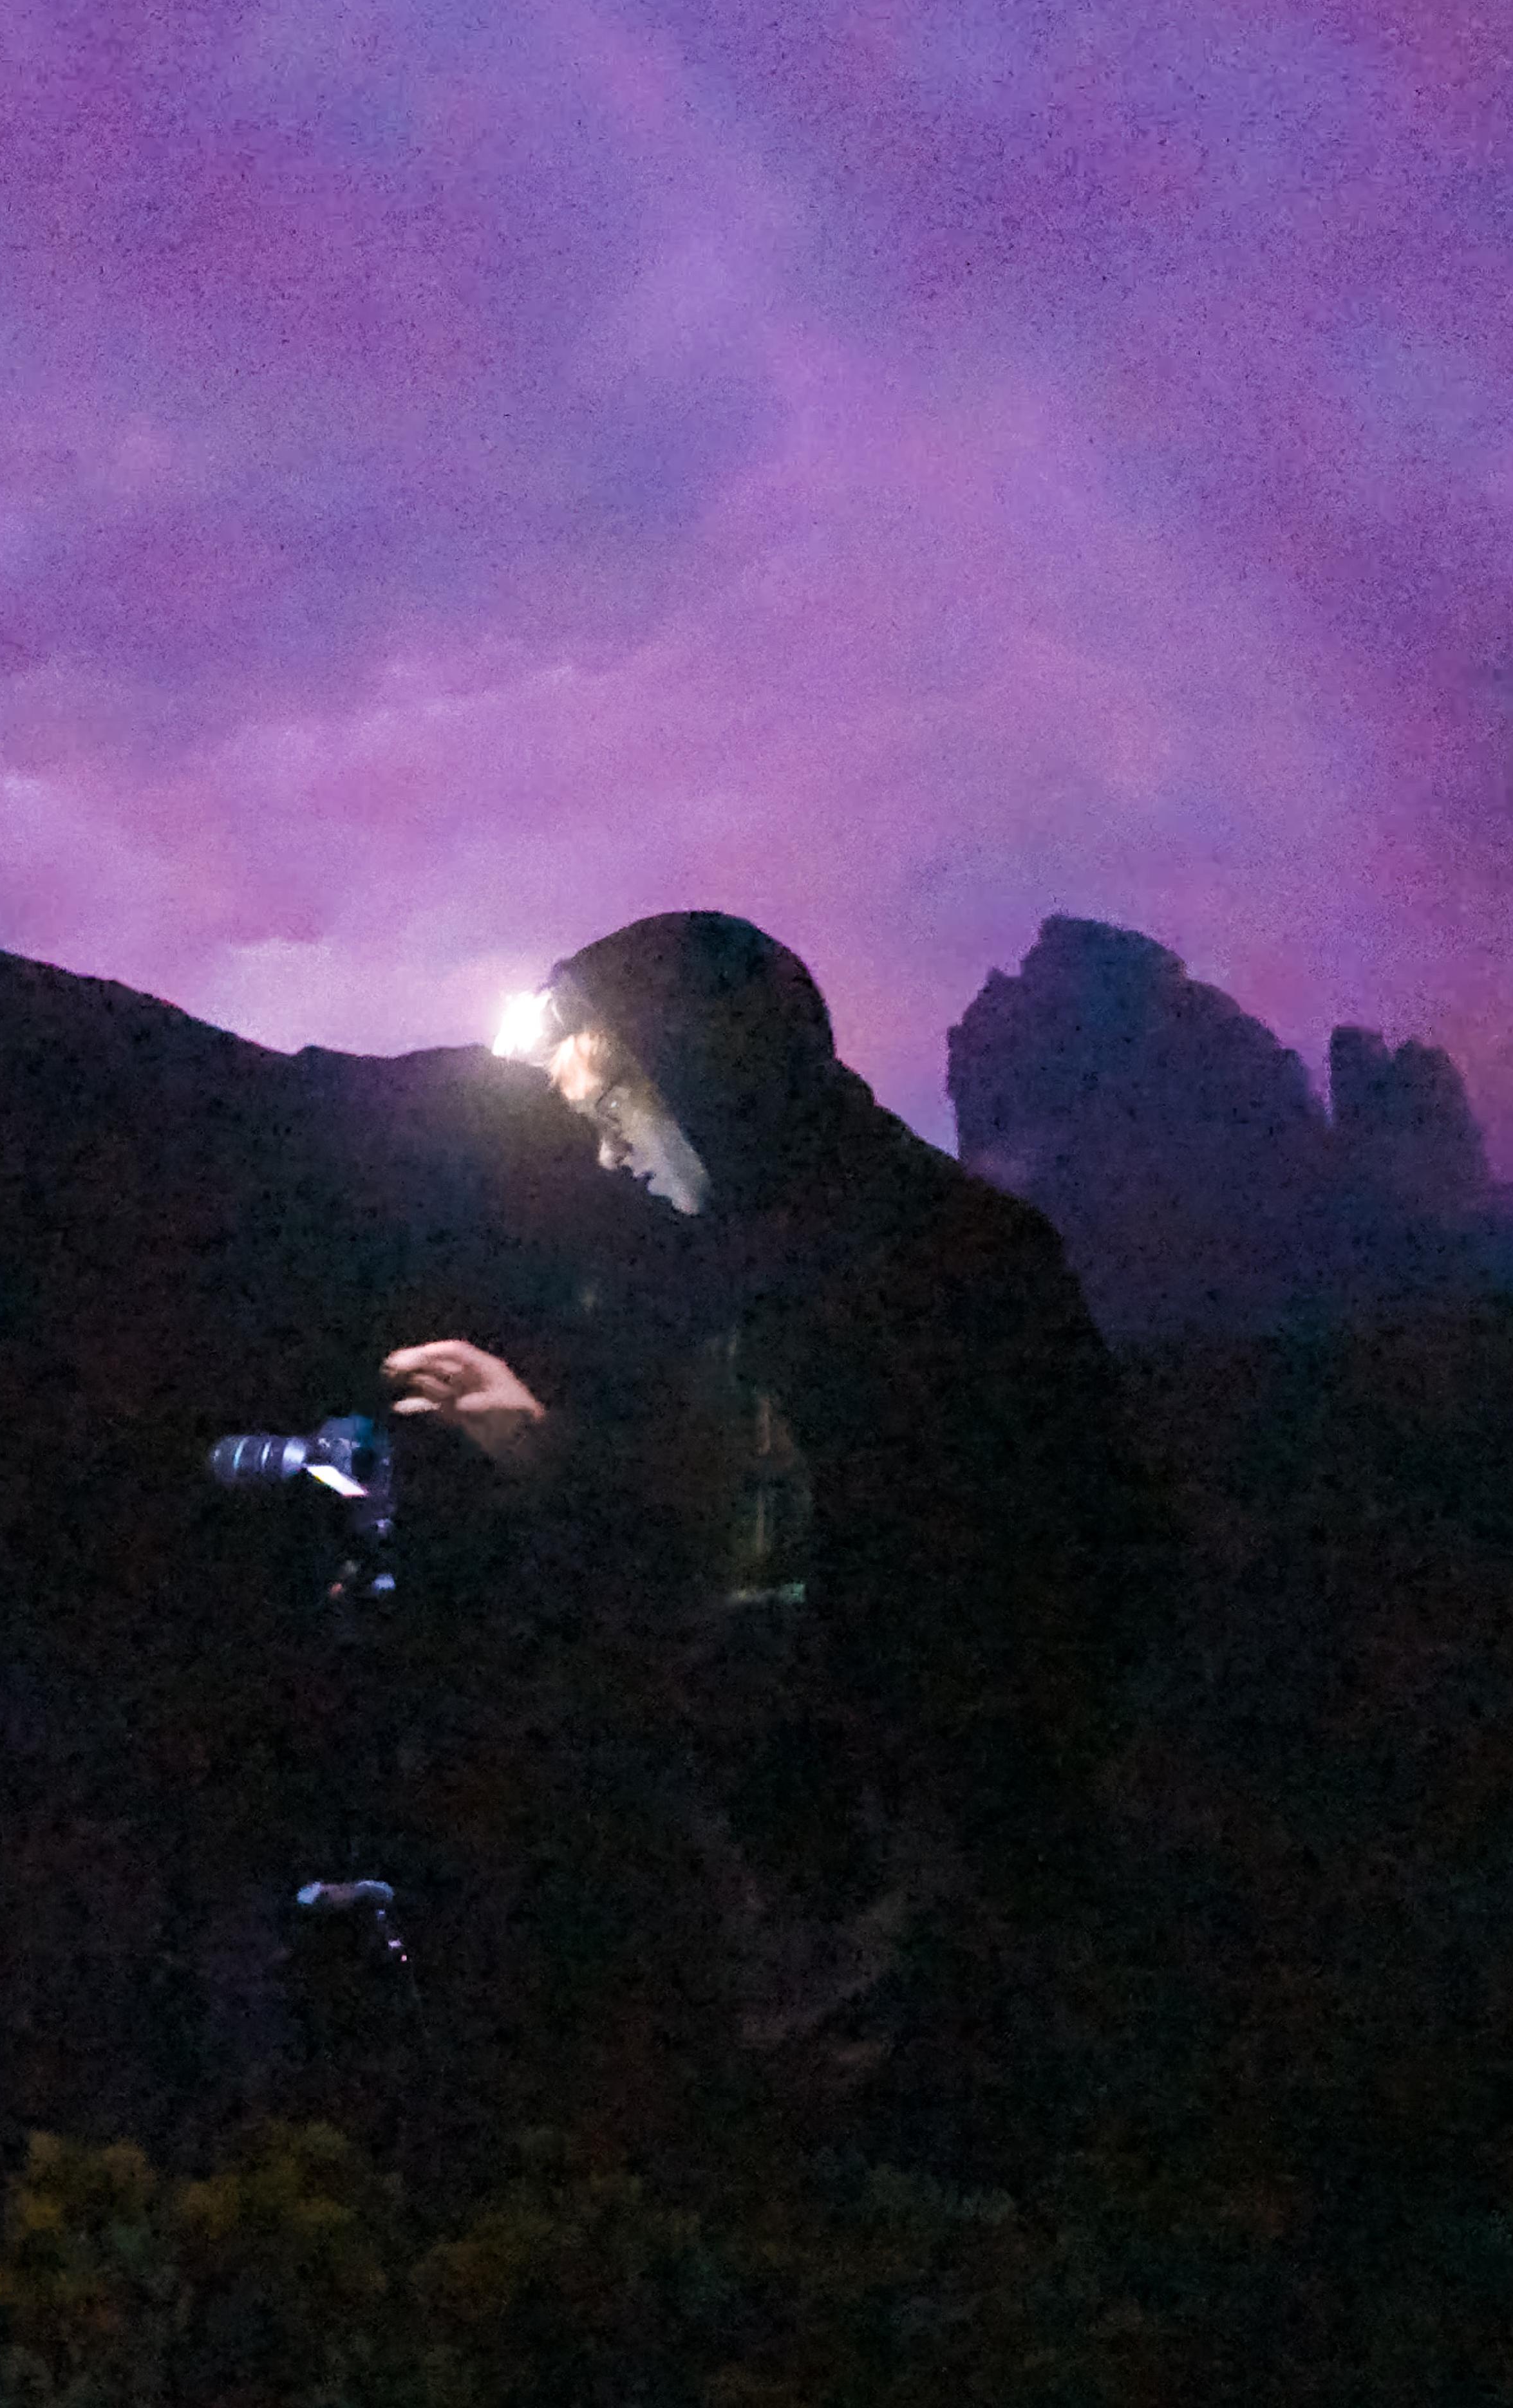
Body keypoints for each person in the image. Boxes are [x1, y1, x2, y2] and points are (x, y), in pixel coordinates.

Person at [381, 913, 1183, 2170]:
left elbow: (1044, 1574)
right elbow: (742, 1528)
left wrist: (939, 1872)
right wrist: (537, 1443)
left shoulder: (947, 1271)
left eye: (619, 1107)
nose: (607, 1153)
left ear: (714, 1074)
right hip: (815, 1907)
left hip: (940, 1924)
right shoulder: (754, 1279)